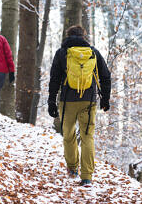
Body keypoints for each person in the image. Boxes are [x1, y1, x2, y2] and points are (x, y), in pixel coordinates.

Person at [47, 25, 111, 187]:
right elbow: (106, 76)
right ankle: (87, 177)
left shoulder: (62, 53)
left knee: (68, 136)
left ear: (68, 36)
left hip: (67, 101)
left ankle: (73, 168)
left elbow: (54, 79)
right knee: (87, 137)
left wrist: (51, 101)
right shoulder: (93, 53)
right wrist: (105, 98)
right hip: (88, 101)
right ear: (84, 36)